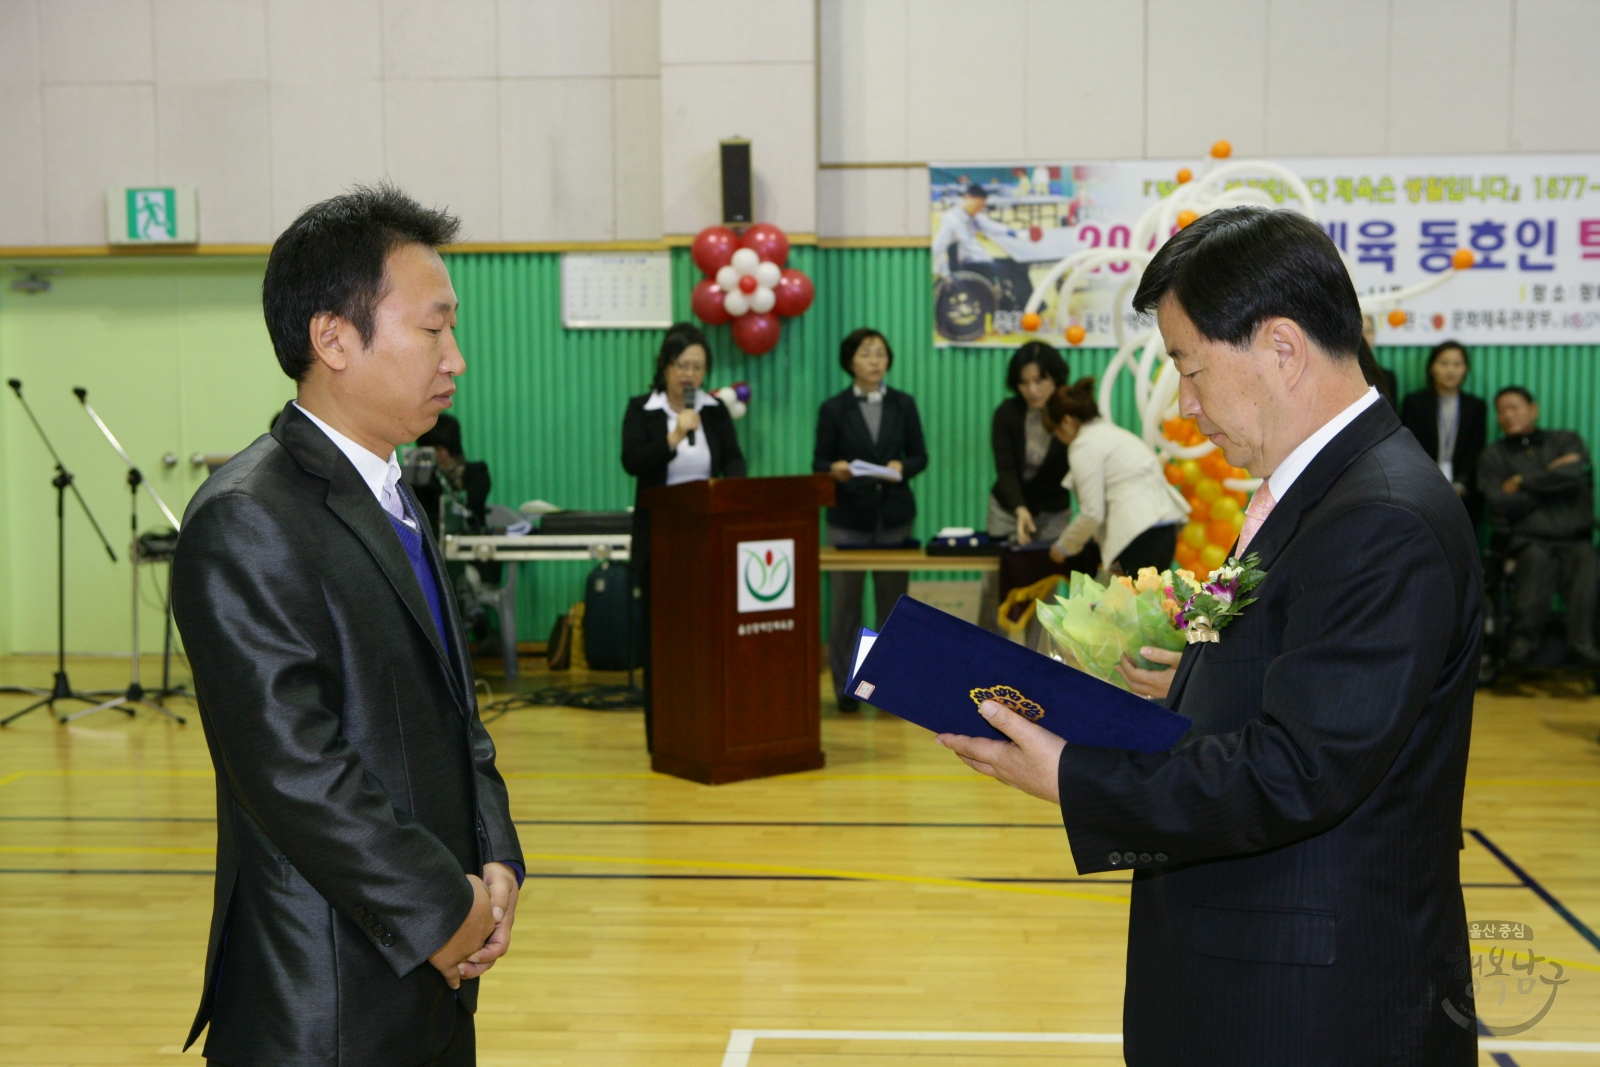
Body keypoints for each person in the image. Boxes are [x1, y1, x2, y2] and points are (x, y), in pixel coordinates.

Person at [938, 206, 1482, 1065]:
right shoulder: (1319, 491)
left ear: (1282, 347)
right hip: (1263, 967)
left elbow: (1299, 771)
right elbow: (1305, 688)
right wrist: (1190, 681)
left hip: (1310, 1006)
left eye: (1191, 371)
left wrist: (1072, 775)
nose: (1185, 407)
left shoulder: (1379, 515)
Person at [170, 185, 523, 1067]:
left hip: (434, 977)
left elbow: (456, 715)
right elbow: (294, 767)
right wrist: (444, 909)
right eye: (433, 328)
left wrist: (497, 857)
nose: (456, 358)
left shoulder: (395, 491)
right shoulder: (248, 516)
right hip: (327, 998)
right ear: (334, 337)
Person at [622, 323, 747, 749]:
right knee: (664, 644)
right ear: (665, 366)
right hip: (661, 544)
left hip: (709, 543)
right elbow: (633, 461)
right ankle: (665, 735)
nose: (689, 374)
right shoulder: (643, 409)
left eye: (698, 366)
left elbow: (734, 463)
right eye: (682, 365)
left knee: (710, 640)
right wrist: (674, 436)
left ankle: (710, 728)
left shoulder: (713, 410)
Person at [814, 328, 928, 710]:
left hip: (894, 517)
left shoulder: (903, 404)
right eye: (866, 354)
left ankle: (889, 690)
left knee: (893, 609)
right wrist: (836, 469)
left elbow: (920, 456)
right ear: (850, 362)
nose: (875, 360)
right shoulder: (833, 408)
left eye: (881, 353)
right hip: (848, 517)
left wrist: (902, 466)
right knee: (846, 607)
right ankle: (848, 691)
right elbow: (818, 462)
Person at [1478, 386, 1597, 666]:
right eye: (1501, 409)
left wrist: (1521, 482)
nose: (1508, 414)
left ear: (1534, 409)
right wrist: (1552, 481)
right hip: (1529, 540)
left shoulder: (1565, 440)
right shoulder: (1493, 456)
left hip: (1575, 538)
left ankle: (1584, 644)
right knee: (1534, 560)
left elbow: (1575, 475)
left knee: (1587, 564)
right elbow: (1498, 503)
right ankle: (1522, 644)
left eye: (1514, 406)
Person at [1045, 377, 1188, 576]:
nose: (1059, 439)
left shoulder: (1083, 445)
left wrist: (1063, 547)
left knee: (1129, 604)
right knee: (1148, 602)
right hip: (1164, 528)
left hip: (1137, 535)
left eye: (1056, 431)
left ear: (1067, 421)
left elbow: (1092, 513)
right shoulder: (1114, 434)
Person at [988, 342, 1072, 546]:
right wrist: (1019, 508)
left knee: (1049, 573)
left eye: (1040, 380)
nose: (1032, 390)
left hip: (1054, 513)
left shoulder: (1071, 414)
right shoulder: (1006, 413)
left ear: (1056, 377)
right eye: (1024, 383)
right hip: (1008, 510)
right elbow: (1005, 468)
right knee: (1003, 573)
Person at [1401, 340, 1488, 526]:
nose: (1450, 370)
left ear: (1465, 369)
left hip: (1464, 495)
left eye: (1457, 364)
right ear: (1432, 368)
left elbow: (1476, 451)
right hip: (1422, 490)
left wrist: (1460, 486)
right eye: (1444, 363)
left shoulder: (1476, 407)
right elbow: (1409, 448)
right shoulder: (1414, 403)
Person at [411, 413, 492, 539]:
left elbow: (474, 503)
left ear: (451, 446)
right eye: (430, 449)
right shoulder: (422, 480)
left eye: (438, 448)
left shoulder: (477, 473)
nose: (436, 454)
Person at [931, 183, 1017, 279]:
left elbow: (989, 225)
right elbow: (938, 248)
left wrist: (1012, 232)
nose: (979, 209)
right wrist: (945, 274)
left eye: (982, 206)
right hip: (969, 265)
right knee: (1013, 269)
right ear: (966, 198)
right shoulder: (952, 219)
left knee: (1012, 264)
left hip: (978, 260)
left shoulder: (971, 215)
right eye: (978, 205)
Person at [1360, 313, 1399, 408]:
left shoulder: (1387, 377)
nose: (1364, 337)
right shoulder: (1339, 374)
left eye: (1369, 331)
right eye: (1359, 331)